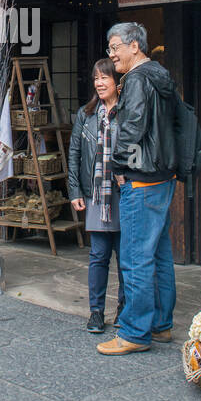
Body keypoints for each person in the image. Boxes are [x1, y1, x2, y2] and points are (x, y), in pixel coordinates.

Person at [98, 21, 178, 356]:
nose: (112, 54)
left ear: (135, 46)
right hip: (163, 178)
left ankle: (134, 332)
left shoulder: (136, 80)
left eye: (116, 46)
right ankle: (160, 325)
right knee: (159, 254)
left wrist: (116, 165)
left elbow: (131, 127)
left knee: (135, 257)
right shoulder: (161, 76)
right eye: (110, 48)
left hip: (141, 178)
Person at [67, 58, 125, 334]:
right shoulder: (86, 114)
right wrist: (74, 190)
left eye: (105, 78)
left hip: (123, 193)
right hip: (96, 196)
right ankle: (96, 312)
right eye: (96, 79)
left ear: (117, 81)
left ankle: (124, 309)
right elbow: (75, 153)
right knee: (99, 254)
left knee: (125, 257)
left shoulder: (128, 111)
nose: (100, 83)